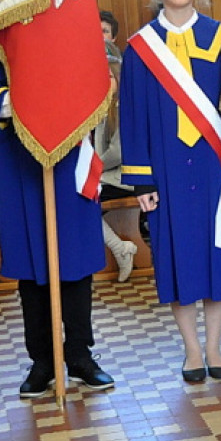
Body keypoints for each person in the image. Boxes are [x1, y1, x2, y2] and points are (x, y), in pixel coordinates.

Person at [120, 0, 221, 384]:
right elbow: (133, 116)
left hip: (217, 168)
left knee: (218, 256)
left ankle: (216, 348)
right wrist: (142, 180)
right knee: (178, 258)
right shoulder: (140, 48)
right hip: (166, 171)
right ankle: (192, 351)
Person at [0, 8, 114, 398]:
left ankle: (80, 355)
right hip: (18, 153)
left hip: (69, 147)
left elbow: (91, 71)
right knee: (32, 262)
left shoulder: (71, 2)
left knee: (76, 258)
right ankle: (43, 360)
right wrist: (30, 106)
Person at [95, 43, 138, 281]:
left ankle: (119, 249)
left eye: (109, 77)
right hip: (108, 175)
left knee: (81, 199)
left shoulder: (123, 107)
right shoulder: (105, 105)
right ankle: (120, 248)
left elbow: (118, 152)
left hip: (123, 177)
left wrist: (93, 170)